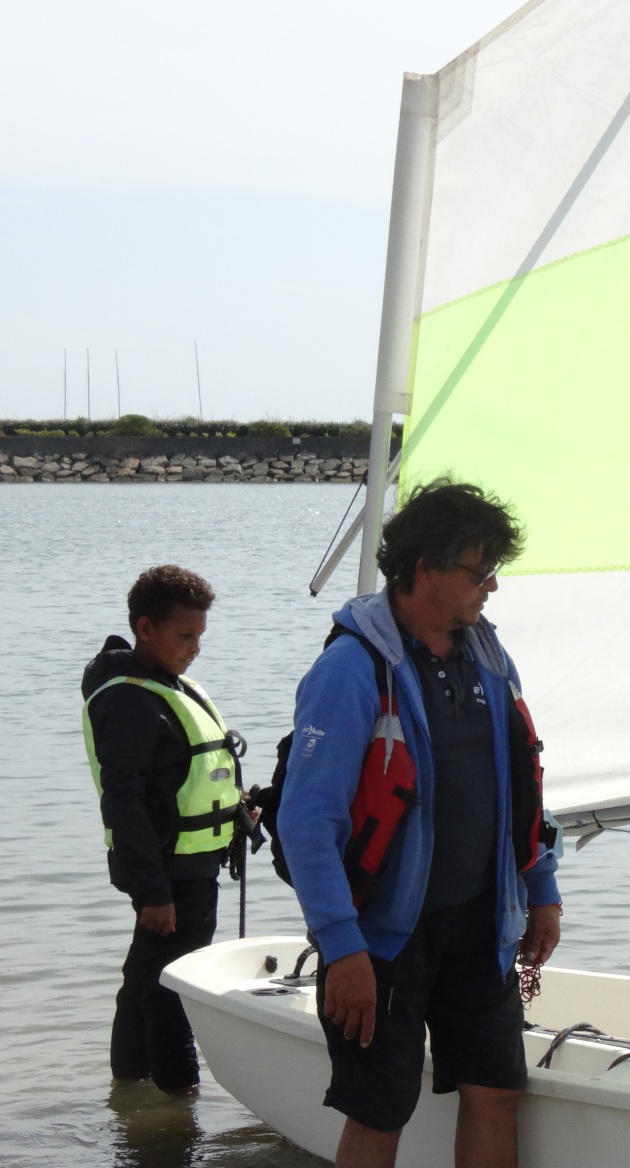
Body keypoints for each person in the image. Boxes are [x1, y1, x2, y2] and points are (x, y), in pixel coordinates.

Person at [279, 479, 561, 1168]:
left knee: (496, 1093)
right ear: (426, 568)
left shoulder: (490, 660)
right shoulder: (350, 669)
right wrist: (342, 949)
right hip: (381, 942)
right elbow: (306, 824)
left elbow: (523, 786)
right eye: (479, 571)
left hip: (480, 928)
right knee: (380, 1113)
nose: (491, 586)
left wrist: (542, 889)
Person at [82, 564, 243, 1093]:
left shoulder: (168, 686)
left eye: (200, 636)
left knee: (145, 983)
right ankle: (179, 1105)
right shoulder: (129, 700)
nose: (195, 648)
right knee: (170, 990)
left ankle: (131, 1096)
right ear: (145, 628)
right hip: (169, 876)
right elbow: (122, 802)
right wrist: (153, 893)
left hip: (191, 868)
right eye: (185, 636)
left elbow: (179, 777)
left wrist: (240, 807)